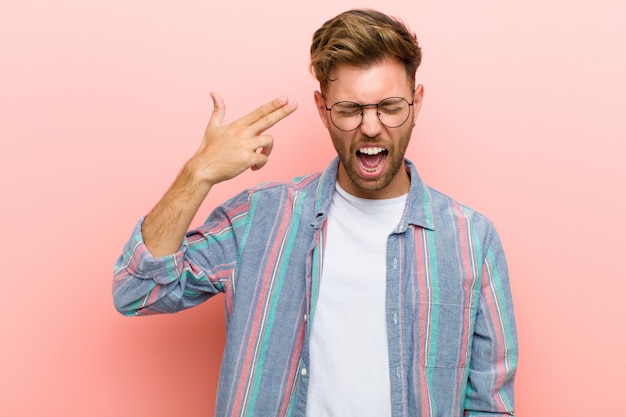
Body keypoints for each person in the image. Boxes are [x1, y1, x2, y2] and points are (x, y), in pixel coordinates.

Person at [113, 8, 517, 417]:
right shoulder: (262, 218)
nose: (372, 127)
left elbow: (490, 406)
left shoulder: (471, 240)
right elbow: (136, 290)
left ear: (417, 102)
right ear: (323, 110)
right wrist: (197, 174)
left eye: (390, 106)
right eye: (349, 109)